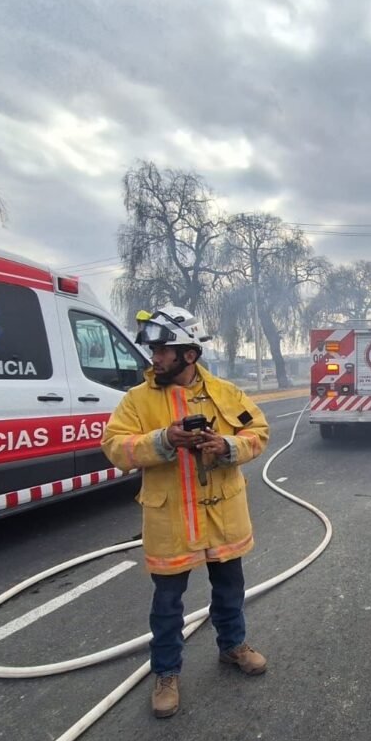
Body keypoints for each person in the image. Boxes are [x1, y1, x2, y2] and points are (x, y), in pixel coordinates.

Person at [102, 305, 270, 718]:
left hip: (223, 517)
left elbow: (258, 432)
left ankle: (233, 647)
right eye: (153, 350)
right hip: (171, 520)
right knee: (167, 603)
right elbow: (114, 447)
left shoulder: (227, 394)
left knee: (230, 589)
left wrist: (227, 447)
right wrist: (163, 440)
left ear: (188, 355)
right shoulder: (136, 401)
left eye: (161, 350)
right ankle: (166, 673)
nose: (153, 358)